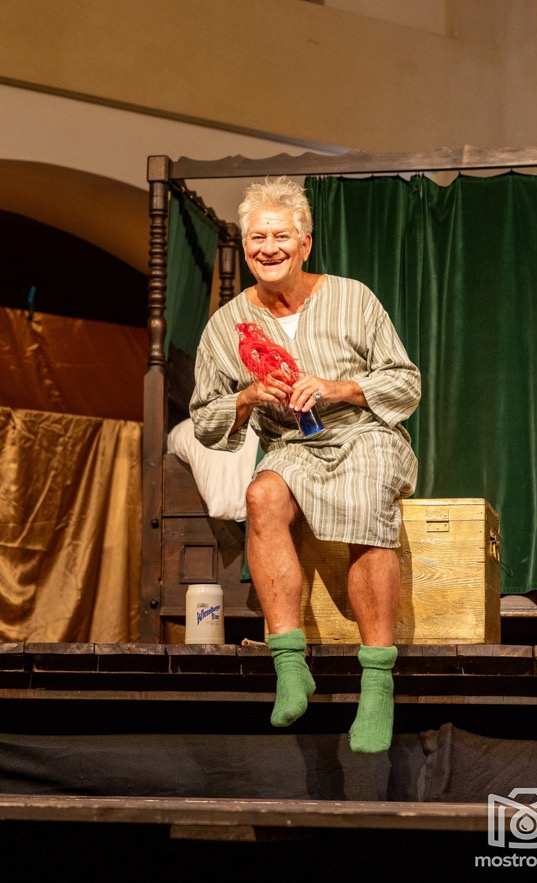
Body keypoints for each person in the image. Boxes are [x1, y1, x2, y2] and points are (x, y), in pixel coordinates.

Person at [190, 176, 421, 753]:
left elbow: (405, 381)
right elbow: (205, 419)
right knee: (261, 495)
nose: (269, 248)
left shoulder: (352, 297)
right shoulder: (226, 325)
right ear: (245, 247)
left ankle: (377, 683)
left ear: (305, 243)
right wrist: (247, 397)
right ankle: (290, 665)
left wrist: (337, 387)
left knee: (366, 498)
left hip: (364, 433)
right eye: (257, 238)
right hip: (292, 444)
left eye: (281, 236)